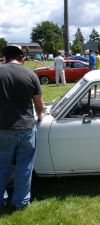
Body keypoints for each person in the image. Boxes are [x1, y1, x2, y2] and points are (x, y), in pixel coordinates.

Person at [0, 45, 44, 210]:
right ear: (22, 58)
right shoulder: (30, 75)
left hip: (3, 128)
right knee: (24, 166)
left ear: (5, 57)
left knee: (1, 167)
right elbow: (38, 103)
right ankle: (20, 202)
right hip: (26, 128)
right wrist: (40, 116)